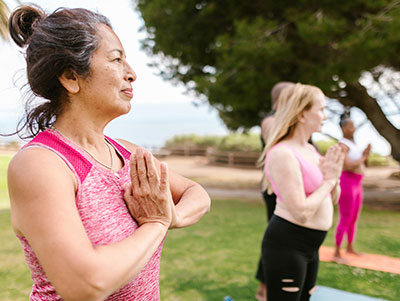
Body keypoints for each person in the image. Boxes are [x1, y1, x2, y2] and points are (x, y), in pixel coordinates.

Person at [6, 5, 211, 300]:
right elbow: (86, 285)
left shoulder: (127, 152)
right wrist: (156, 223)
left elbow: (197, 194)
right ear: (70, 77)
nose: (132, 74)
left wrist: (173, 216)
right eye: (116, 59)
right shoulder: (42, 164)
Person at [260, 83, 344, 300]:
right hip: (288, 245)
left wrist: (334, 178)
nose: (325, 116)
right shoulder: (282, 154)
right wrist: (329, 180)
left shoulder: (310, 150)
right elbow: (301, 212)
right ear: (302, 114)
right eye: (321, 109)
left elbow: (332, 200)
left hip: (311, 246)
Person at [255, 81, 295, 301]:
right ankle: (264, 287)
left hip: (287, 187)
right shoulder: (270, 122)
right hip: (273, 188)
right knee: (276, 237)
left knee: (287, 239)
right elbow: (278, 145)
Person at [333, 112, 370, 262]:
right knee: (345, 217)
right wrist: (364, 156)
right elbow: (347, 165)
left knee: (354, 217)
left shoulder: (353, 144)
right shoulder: (343, 144)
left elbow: (362, 164)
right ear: (343, 128)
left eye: (354, 126)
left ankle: (350, 247)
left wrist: (366, 154)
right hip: (347, 182)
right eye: (350, 126)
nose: (353, 129)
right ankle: (337, 252)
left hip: (357, 183)